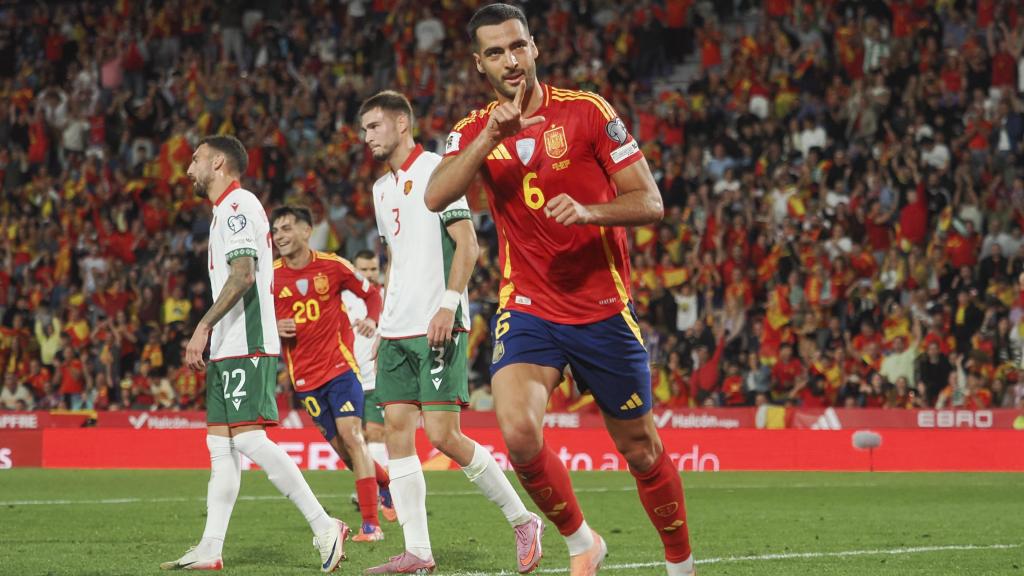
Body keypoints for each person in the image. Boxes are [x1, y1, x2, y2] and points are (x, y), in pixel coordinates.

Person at [425, 5, 695, 575]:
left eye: (517, 46)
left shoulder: (587, 112)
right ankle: (581, 543)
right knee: (519, 434)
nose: (510, 59)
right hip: (528, 308)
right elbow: (435, 195)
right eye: (495, 52)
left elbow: (651, 203)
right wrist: (488, 138)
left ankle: (680, 564)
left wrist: (592, 211)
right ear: (480, 64)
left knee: (642, 450)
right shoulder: (473, 129)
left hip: (600, 309)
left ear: (535, 48)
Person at [358, 90, 542, 575]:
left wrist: (446, 305)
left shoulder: (442, 172)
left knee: (443, 436)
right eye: (363, 130)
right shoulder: (380, 190)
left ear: (402, 124)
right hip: (397, 329)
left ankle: (523, 520)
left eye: (374, 126)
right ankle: (418, 551)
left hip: (438, 323)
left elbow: (469, 246)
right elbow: (393, 259)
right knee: (395, 432)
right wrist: (384, 320)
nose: (367, 137)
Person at [162, 135, 348, 573]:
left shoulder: (238, 205)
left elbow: (243, 275)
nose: (189, 168)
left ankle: (325, 526)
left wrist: (203, 326)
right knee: (219, 447)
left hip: (246, 341)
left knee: (247, 439)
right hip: (229, 346)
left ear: (219, 163)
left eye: (196, 159)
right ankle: (210, 547)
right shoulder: (221, 213)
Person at [270, 205, 395, 542]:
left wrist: (372, 320)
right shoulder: (270, 277)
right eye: (276, 231)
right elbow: (256, 323)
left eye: (286, 229)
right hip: (305, 380)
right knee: (345, 451)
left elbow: (372, 296)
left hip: (340, 369)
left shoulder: (333, 266)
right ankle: (384, 483)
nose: (279, 236)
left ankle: (371, 525)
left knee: (354, 437)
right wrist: (273, 328)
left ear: (306, 230)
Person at [345, 249, 390, 470]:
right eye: (363, 269)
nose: (369, 274)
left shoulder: (388, 298)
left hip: (376, 378)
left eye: (373, 269)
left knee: (376, 432)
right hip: (348, 378)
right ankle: (371, 486)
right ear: (354, 270)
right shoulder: (342, 298)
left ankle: (379, 491)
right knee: (355, 437)